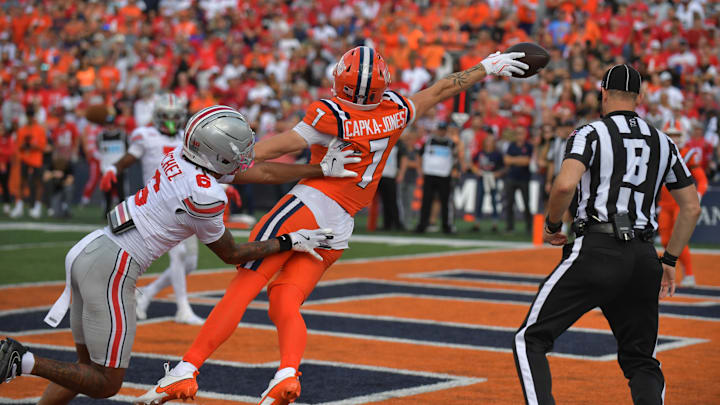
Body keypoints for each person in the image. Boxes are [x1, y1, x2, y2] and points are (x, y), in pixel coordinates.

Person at [136, 46, 529, 405]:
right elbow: (442, 89)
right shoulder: (397, 109)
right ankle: (287, 373)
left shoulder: (332, 113)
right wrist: (487, 67)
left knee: (245, 283)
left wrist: (226, 158)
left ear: (340, 79)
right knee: (285, 301)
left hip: (311, 204)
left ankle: (186, 369)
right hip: (341, 225)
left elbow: (283, 146)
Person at [0, 105, 359, 404]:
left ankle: (23, 363)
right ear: (216, 153)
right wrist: (288, 241)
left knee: (84, 367)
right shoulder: (206, 194)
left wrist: (319, 169)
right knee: (106, 382)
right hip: (114, 267)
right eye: (237, 152)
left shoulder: (180, 156)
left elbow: (260, 172)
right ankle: (22, 360)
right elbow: (231, 254)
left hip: (91, 249)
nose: (245, 156)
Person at [513, 65, 701, 405]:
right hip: (644, 256)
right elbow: (691, 207)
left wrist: (553, 225)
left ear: (603, 92)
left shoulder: (590, 133)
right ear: (639, 97)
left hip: (596, 248)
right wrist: (670, 260)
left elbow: (565, 184)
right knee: (641, 360)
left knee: (530, 339)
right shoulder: (664, 141)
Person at [100, 93, 208, 325]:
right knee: (178, 255)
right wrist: (112, 169)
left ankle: (147, 294)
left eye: (175, 117)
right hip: (158, 205)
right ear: (157, 117)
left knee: (190, 263)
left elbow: (199, 168)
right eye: (166, 117)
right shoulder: (145, 135)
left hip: (186, 203)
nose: (171, 122)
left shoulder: (186, 138)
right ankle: (183, 309)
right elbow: (130, 157)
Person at [657, 119, 708, 287]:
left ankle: (690, 274)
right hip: (664, 204)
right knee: (665, 240)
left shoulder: (687, 154)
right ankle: (677, 270)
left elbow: (702, 180)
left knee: (678, 237)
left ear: (683, 136)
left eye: (676, 135)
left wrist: (697, 196)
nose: (674, 138)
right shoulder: (660, 153)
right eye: (670, 135)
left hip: (681, 203)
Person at [415, 122, 459, 234]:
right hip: (429, 174)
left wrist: (454, 168)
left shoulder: (450, 143)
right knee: (426, 201)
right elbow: (419, 155)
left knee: (445, 202)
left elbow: (456, 157)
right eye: (440, 129)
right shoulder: (429, 141)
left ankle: (446, 226)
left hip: (444, 175)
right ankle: (422, 225)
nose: (441, 132)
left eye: (443, 130)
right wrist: (419, 169)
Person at [10, 108, 47, 219]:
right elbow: (19, 145)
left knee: (38, 183)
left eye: (31, 115)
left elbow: (42, 146)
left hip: (36, 159)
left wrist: (33, 146)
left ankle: (37, 207)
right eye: (28, 115)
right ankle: (19, 206)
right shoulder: (22, 130)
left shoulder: (39, 130)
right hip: (25, 158)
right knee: (22, 183)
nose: (30, 117)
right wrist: (26, 146)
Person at [503, 127, 533, 234]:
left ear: (525, 134)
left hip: (524, 178)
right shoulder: (511, 145)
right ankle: (510, 227)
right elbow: (506, 160)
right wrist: (520, 159)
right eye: (517, 133)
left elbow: (527, 161)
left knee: (526, 203)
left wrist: (513, 160)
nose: (519, 136)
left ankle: (529, 227)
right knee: (509, 203)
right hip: (511, 178)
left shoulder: (529, 146)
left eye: (521, 133)